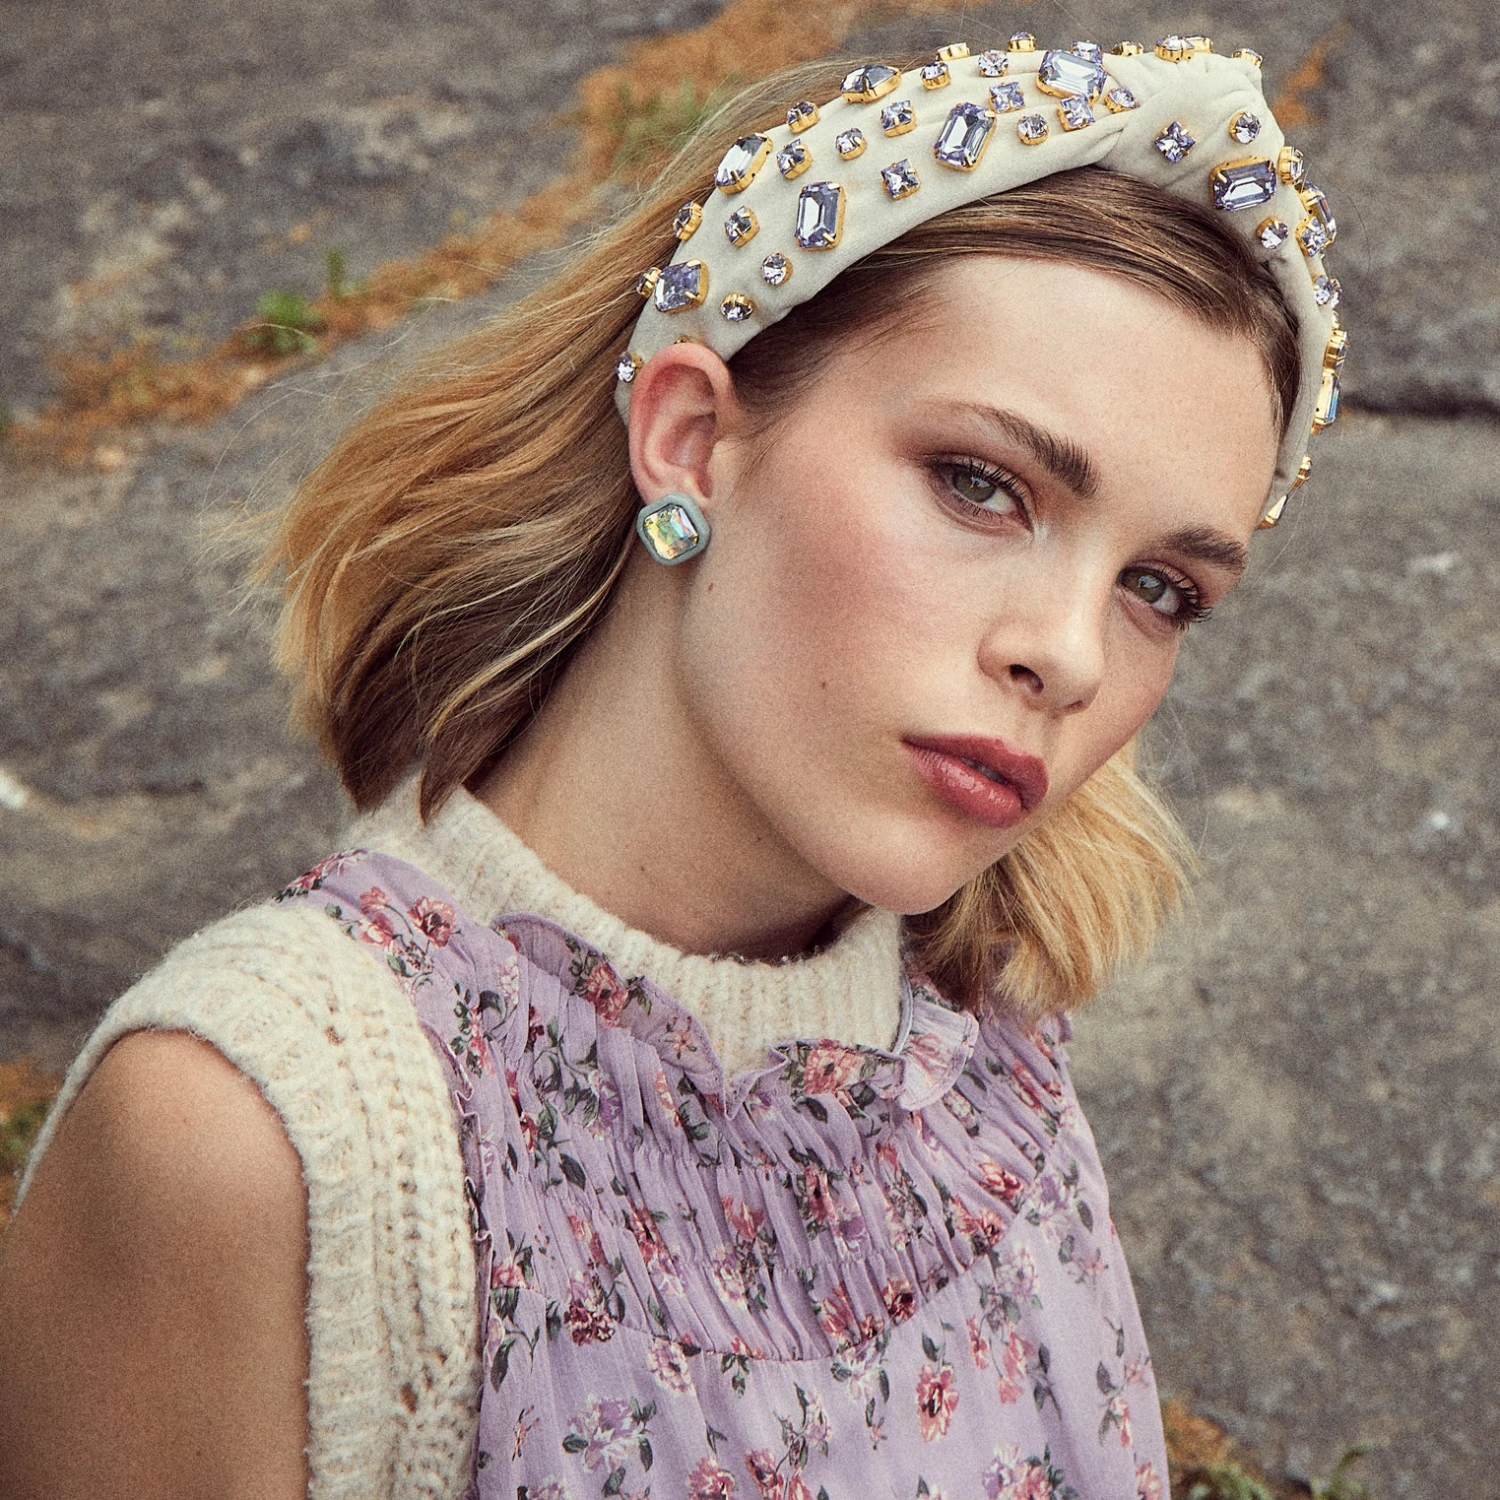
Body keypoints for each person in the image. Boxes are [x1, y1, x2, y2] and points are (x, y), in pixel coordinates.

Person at [0, 31, 1343, 1500]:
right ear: (691, 439)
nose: (1071, 656)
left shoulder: (986, 1034)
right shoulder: (261, 1138)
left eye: (1161, 589)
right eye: (982, 485)